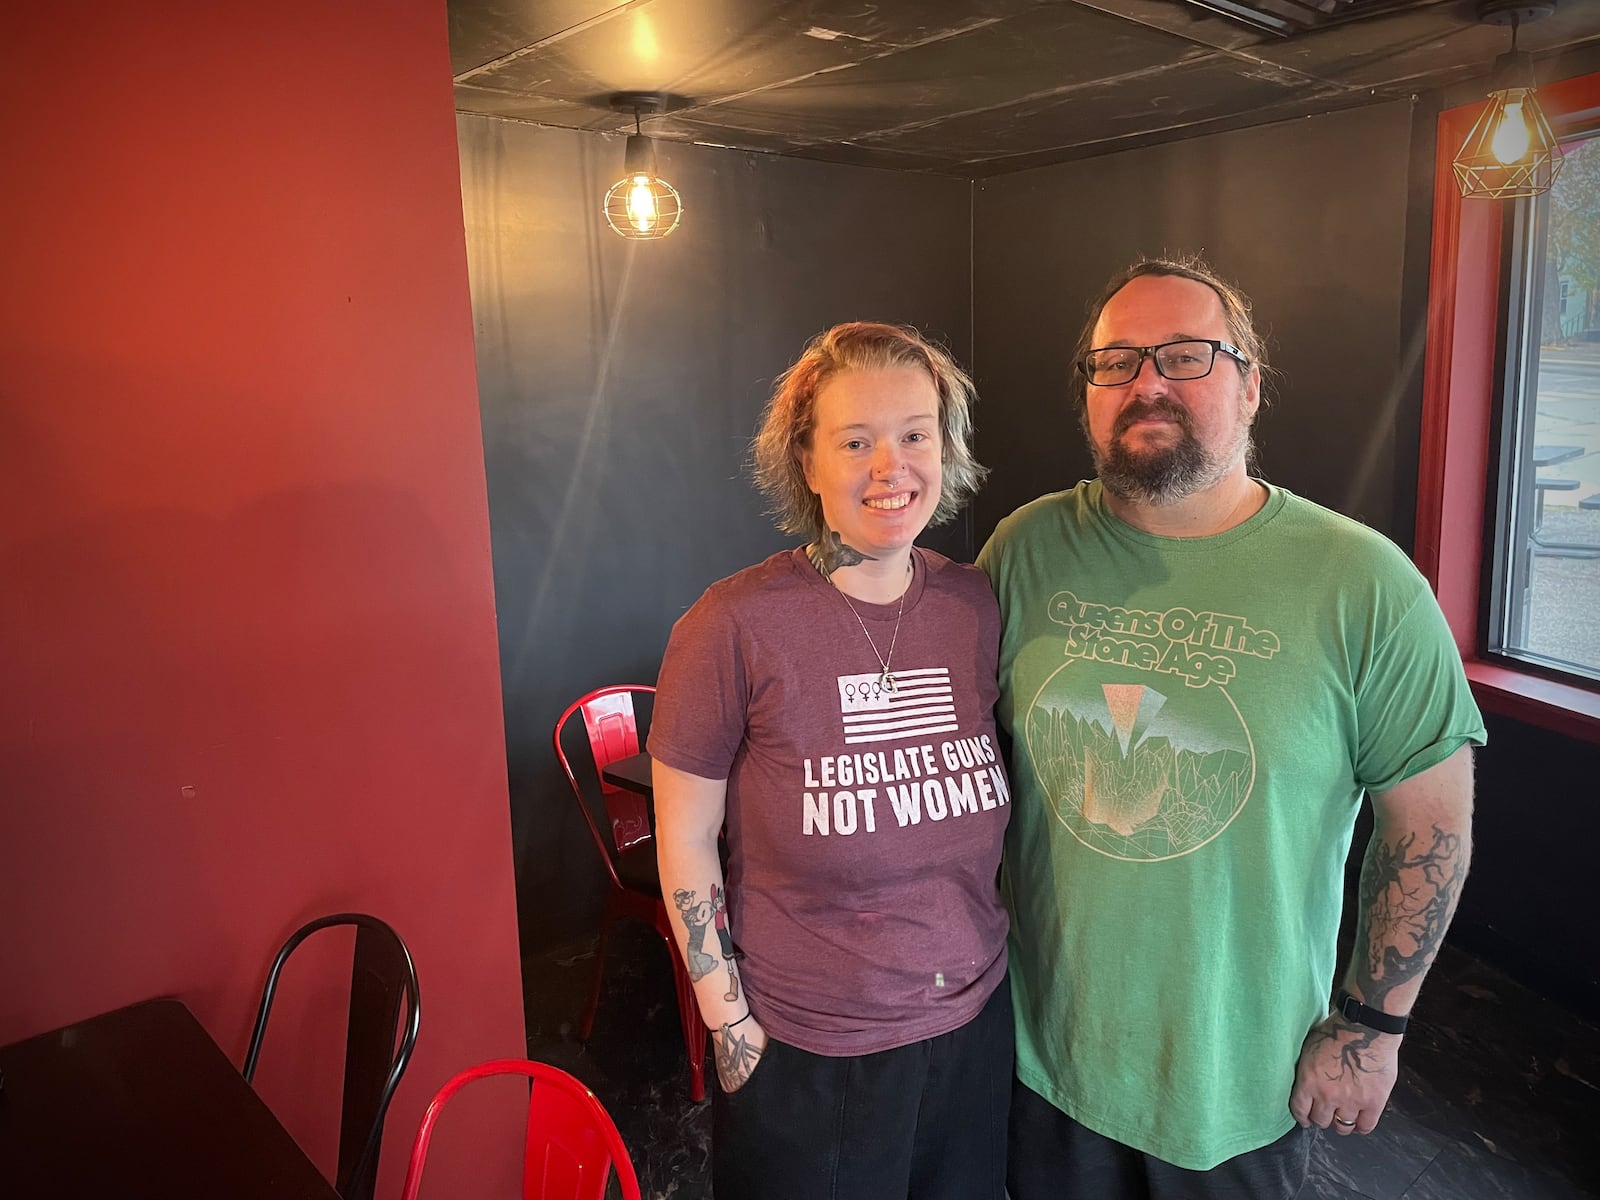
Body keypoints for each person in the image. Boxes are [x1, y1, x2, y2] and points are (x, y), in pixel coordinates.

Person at [977, 257, 1485, 1199]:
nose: (1147, 384)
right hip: (1041, 1059)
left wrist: (1373, 1029)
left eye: (1185, 355)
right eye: (1116, 362)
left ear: (1250, 385)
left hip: (1236, 1083)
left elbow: (1430, 827)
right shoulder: (1025, 548)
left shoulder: (1362, 584)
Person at [650, 322, 1013, 1200]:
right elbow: (687, 839)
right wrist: (726, 1023)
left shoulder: (973, 603)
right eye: (857, 441)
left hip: (972, 1029)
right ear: (806, 463)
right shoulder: (733, 623)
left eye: (916, 434)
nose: (892, 466)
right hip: (811, 1050)